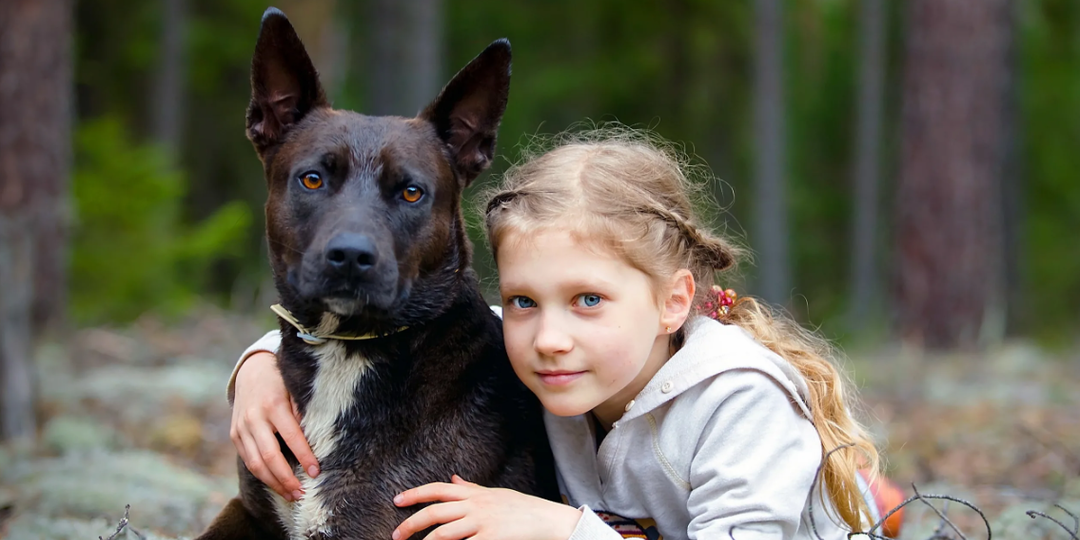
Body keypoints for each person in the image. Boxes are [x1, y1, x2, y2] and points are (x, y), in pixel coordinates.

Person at [228, 127, 882, 540]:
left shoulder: (737, 404)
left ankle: (862, 502)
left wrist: (564, 528)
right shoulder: (559, 359)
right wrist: (259, 364)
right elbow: (430, 325)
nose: (548, 337)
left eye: (588, 299)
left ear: (673, 302)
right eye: (522, 300)